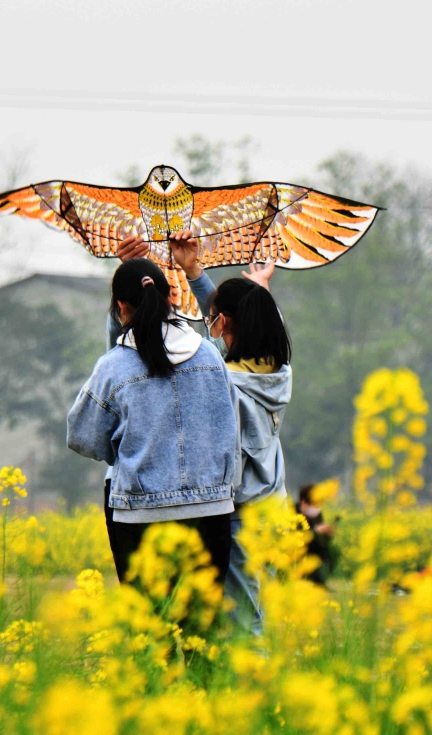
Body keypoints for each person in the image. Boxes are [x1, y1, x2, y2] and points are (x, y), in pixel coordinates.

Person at [113, 231, 291, 636]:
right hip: (275, 511)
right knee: (266, 613)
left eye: (214, 319)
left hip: (240, 513)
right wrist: (197, 271)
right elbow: (258, 321)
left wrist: (128, 307)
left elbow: (141, 361)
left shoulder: (221, 380)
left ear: (223, 322)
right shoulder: (278, 373)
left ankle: (249, 694)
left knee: (245, 624)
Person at [67, 258, 240, 586]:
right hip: (211, 514)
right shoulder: (210, 356)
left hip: (141, 517)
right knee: (200, 629)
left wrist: (122, 450)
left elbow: (82, 435)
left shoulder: (114, 365)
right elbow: (232, 430)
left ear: (121, 307)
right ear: (171, 298)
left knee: (150, 628)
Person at [297, 483, 337, 586]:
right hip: (297, 551)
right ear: (304, 502)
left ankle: (320, 583)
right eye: (315, 503)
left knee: (332, 551)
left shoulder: (317, 514)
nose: (317, 507)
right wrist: (316, 532)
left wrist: (327, 534)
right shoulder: (293, 511)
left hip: (313, 548)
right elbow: (294, 537)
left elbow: (321, 542)